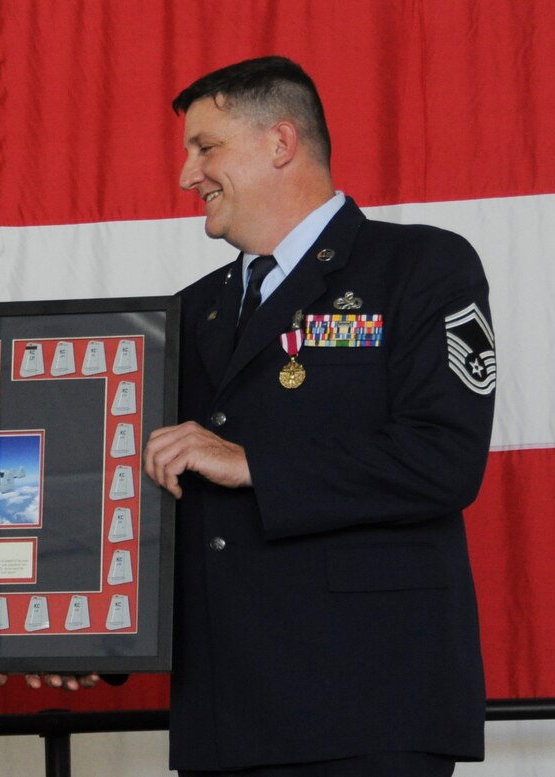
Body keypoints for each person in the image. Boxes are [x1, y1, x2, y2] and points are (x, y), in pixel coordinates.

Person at [143, 56, 496, 776]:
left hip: (368, 710)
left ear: (280, 142)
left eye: (204, 147)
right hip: (225, 715)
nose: (187, 175)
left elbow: (444, 458)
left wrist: (252, 463)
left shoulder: (423, 267)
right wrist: (86, 635)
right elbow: (166, 494)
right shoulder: (190, 309)